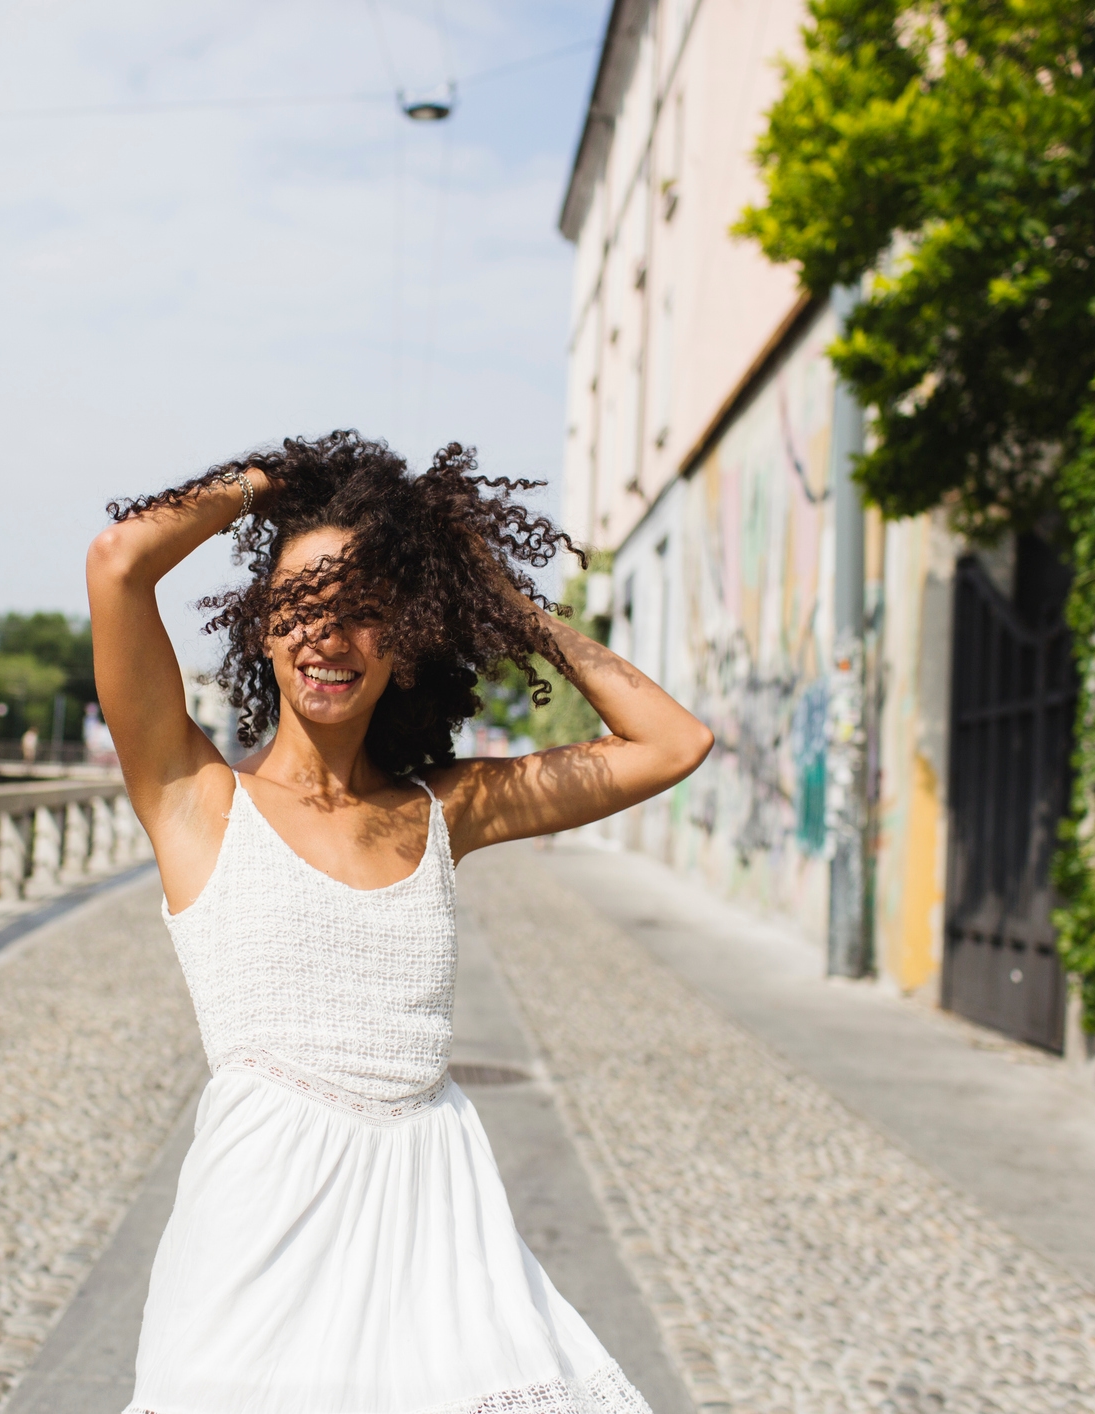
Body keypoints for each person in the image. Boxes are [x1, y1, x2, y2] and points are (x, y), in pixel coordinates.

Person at [86, 431, 713, 1414]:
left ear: (408, 636)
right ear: (260, 628)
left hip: (440, 1254)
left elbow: (675, 741)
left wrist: (504, 604)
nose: (327, 638)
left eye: (365, 612)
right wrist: (269, 484)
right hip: (249, 1264)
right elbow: (121, 561)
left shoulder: (443, 811)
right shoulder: (195, 801)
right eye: (297, 608)